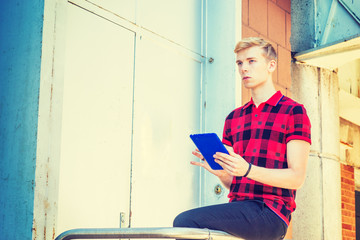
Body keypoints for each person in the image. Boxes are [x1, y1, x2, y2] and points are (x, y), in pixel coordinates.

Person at [173, 37, 311, 240]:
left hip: (271, 212)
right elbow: (235, 182)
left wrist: (247, 169)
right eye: (239, 63)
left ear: (271, 65)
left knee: (185, 222)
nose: (244, 68)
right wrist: (223, 174)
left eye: (251, 61)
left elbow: (296, 178)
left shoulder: (293, 112)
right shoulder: (234, 118)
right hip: (240, 208)